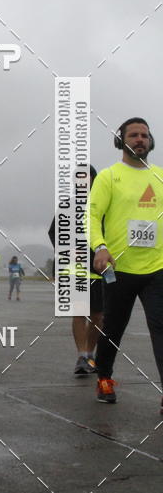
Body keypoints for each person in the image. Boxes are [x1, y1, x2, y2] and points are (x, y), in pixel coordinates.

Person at [90, 118, 163, 408]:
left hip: (156, 268)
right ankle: (104, 378)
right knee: (113, 328)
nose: (140, 139)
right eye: (133, 135)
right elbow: (93, 216)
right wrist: (101, 247)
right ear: (121, 141)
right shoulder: (109, 177)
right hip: (118, 269)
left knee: (161, 328)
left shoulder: (159, 177)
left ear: (151, 141)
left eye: (145, 135)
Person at [48, 165, 103, 375]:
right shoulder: (66, 206)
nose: (82, 180)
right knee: (79, 312)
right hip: (74, 270)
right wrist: (67, 251)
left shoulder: (103, 204)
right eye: (78, 177)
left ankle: (90, 353)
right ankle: (82, 356)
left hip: (98, 268)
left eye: (86, 176)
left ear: (93, 179)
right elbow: (53, 232)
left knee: (98, 315)